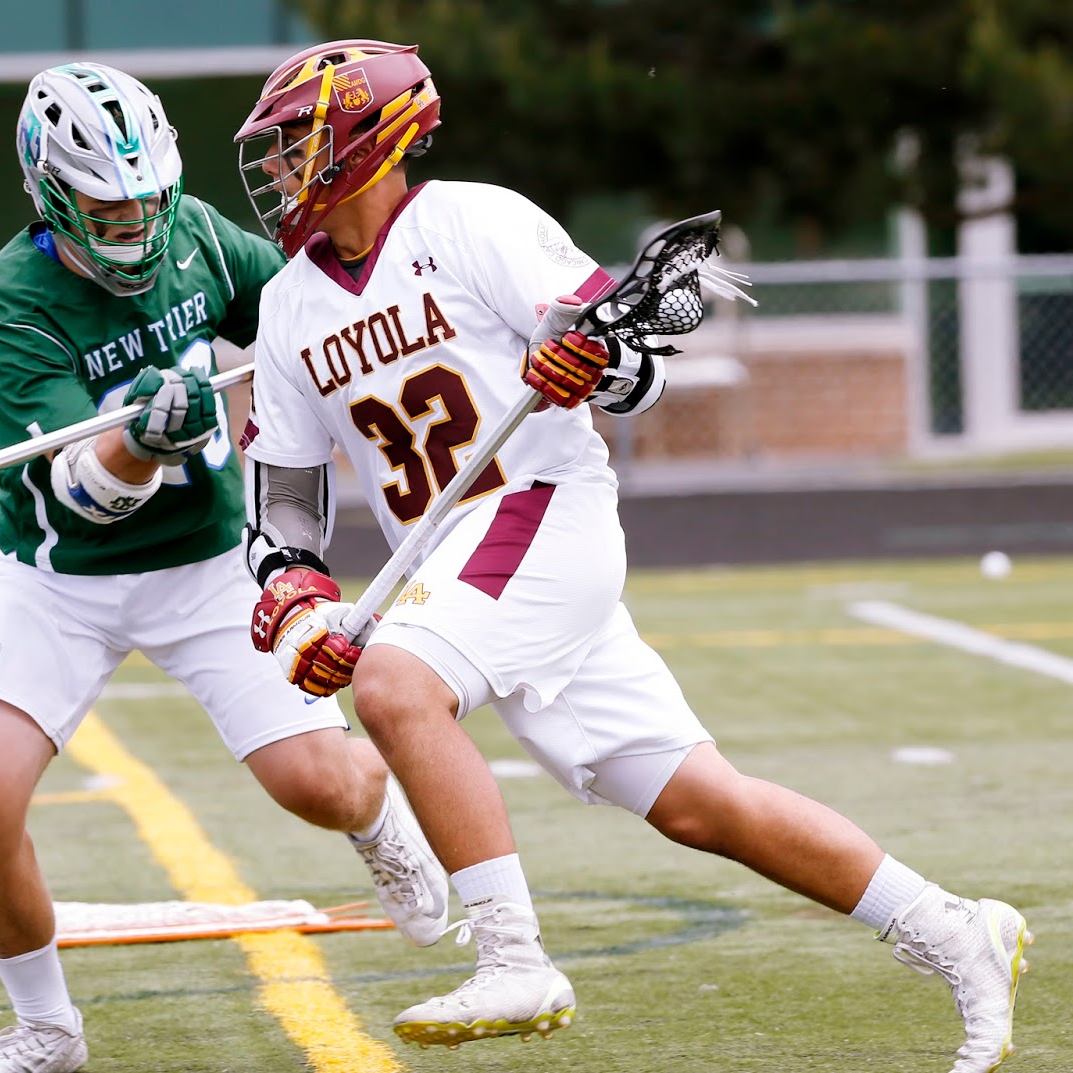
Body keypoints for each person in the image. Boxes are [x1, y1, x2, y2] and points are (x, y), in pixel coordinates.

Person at [232, 38, 1032, 1073]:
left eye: (295, 140)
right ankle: (955, 928)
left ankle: (514, 957)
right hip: (457, 557)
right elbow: (285, 491)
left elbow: (639, 362)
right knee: (702, 802)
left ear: (366, 134)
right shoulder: (290, 303)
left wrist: (595, 363)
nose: (279, 166)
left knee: (392, 685)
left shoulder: (471, 221)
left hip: (539, 507)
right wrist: (298, 597)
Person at [0, 61, 448, 1073]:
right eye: (106, 211)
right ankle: (46, 1028)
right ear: (50, 194)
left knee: (319, 785)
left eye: (147, 202)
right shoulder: (9, 305)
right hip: (57, 577)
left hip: (209, 560)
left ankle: (381, 819)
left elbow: (309, 316)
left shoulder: (199, 235)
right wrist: (143, 440)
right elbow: (85, 493)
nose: (135, 227)